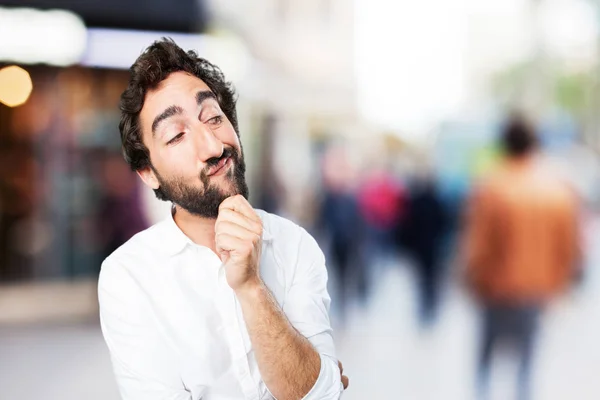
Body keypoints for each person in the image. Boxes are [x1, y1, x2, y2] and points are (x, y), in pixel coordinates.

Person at [98, 38, 348, 400]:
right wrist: (315, 374)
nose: (214, 147)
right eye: (177, 134)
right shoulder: (129, 276)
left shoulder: (294, 244)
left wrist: (250, 286)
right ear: (148, 173)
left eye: (214, 118)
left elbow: (320, 396)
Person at [463, 114, 580, 400]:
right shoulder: (557, 189)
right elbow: (568, 247)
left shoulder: (491, 186)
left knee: (486, 359)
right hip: (536, 290)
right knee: (527, 363)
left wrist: (471, 279)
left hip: (495, 289)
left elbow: (478, 243)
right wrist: (559, 285)